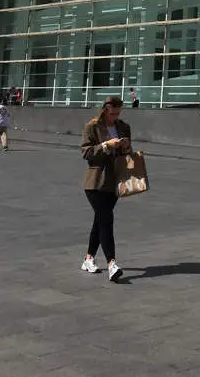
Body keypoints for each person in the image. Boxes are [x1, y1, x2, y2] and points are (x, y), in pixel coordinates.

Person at [80, 96, 132, 282]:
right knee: (106, 219)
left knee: (100, 220)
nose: (115, 117)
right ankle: (112, 264)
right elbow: (86, 153)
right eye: (112, 113)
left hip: (115, 181)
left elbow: (127, 155)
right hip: (95, 181)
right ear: (104, 110)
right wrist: (105, 145)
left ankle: (88, 259)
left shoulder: (123, 127)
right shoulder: (92, 127)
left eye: (118, 113)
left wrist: (125, 146)